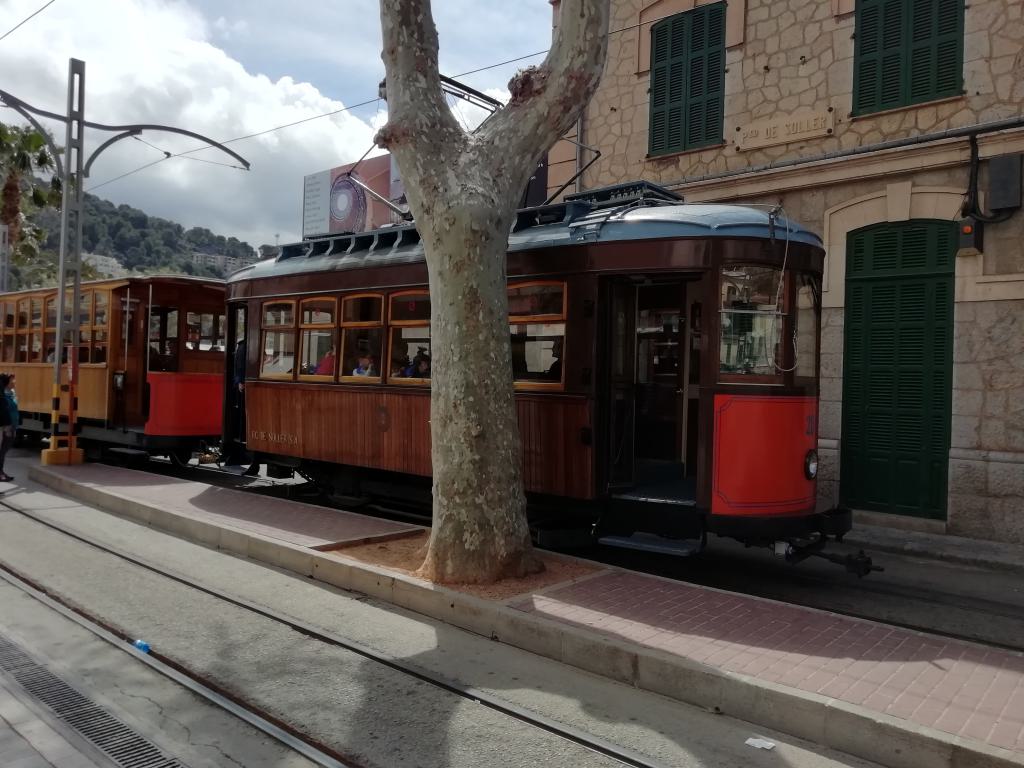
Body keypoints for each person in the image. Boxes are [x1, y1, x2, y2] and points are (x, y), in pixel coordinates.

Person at [0, 373, 18, 482]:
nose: (14, 382)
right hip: (5, 427)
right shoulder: (4, 395)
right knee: (1, 452)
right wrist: (7, 427)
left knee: (3, 451)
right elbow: (4, 412)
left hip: (11, 425)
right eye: (12, 380)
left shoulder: (10, 394)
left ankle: (1, 472)